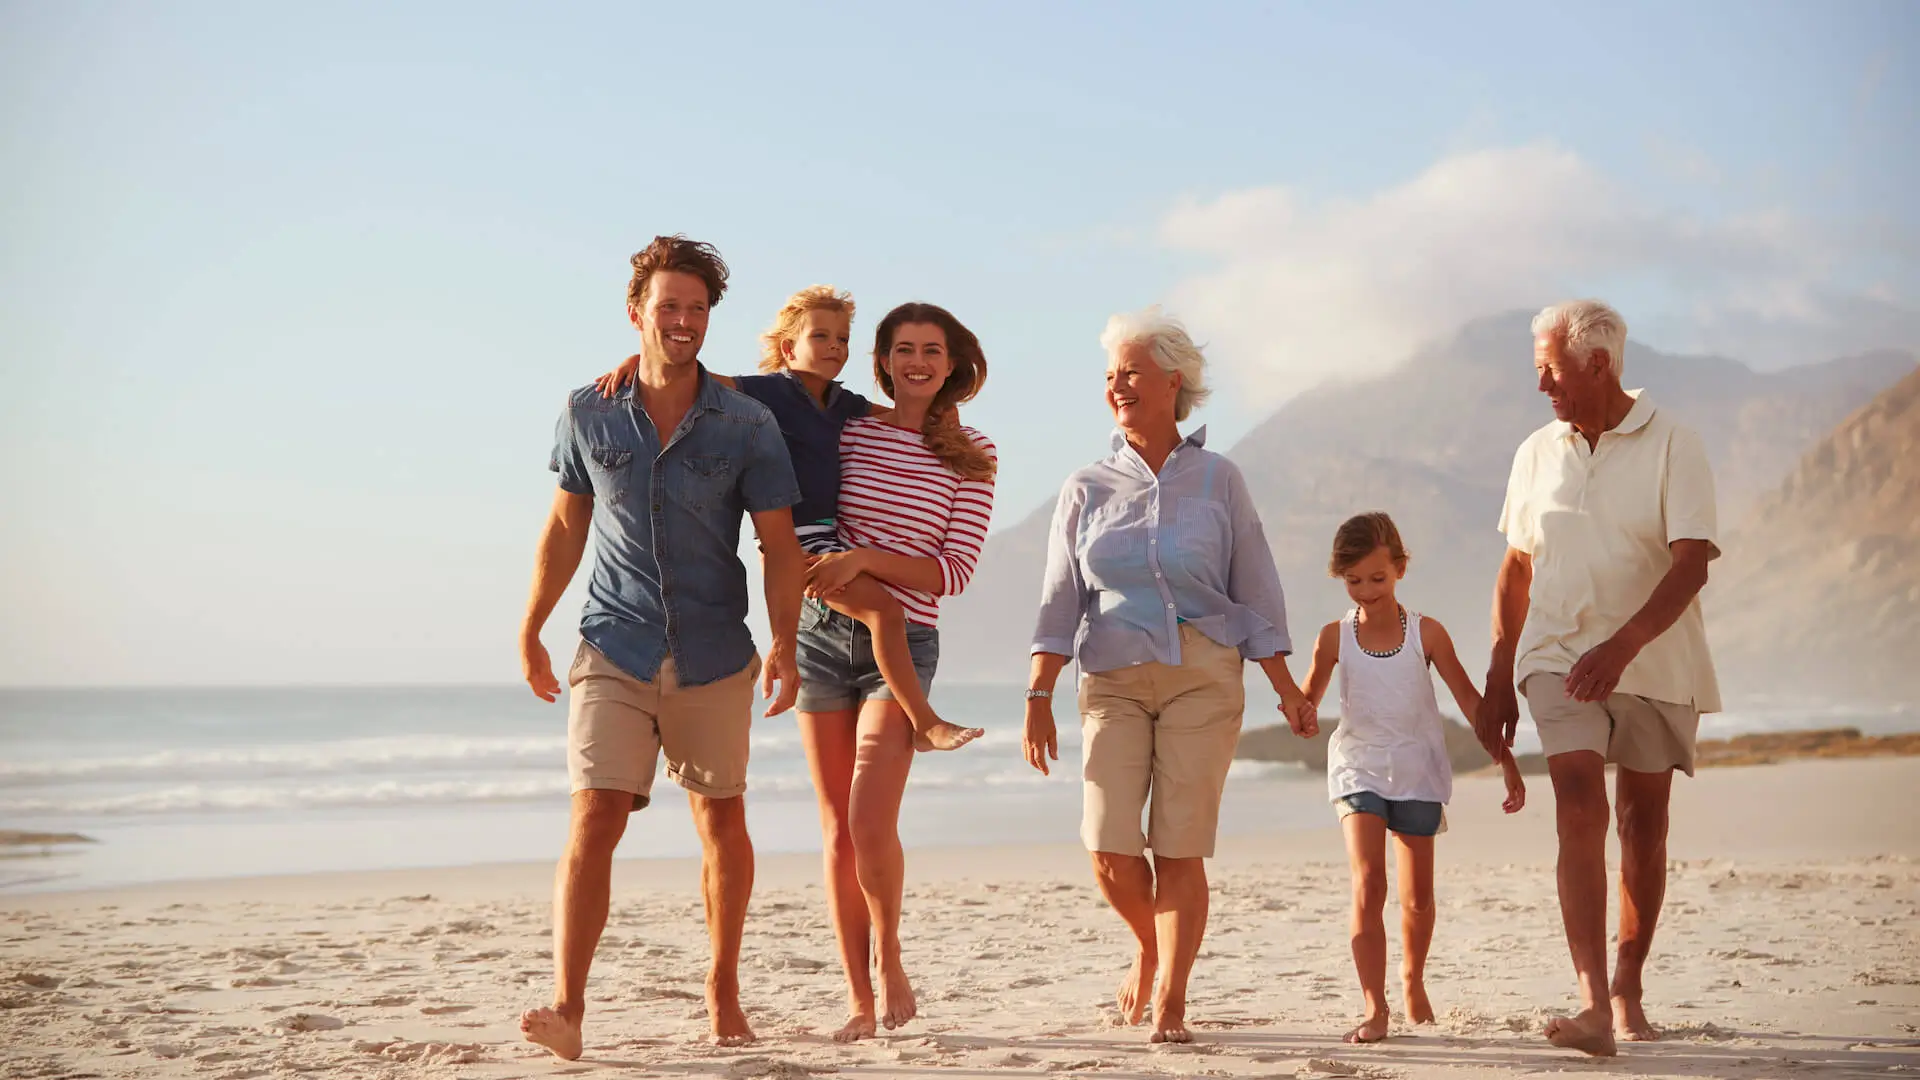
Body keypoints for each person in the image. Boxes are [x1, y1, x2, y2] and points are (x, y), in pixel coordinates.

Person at [516, 236, 807, 1058]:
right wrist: (532, 624)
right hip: (613, 640)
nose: (682, 321)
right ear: (636, 310)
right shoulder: (589, 410)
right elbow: (567, 524)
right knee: (594, 815)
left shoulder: (747, 421)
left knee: (721, 819)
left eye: (697, 308)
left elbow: (779, 545)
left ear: (711, 318)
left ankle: (722, 990)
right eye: (668, 305)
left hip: (715, 648)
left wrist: (783, 643)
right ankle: (568, 1008)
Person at [1022, 307, 1315, 1044]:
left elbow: (1257, 588)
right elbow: (1061, 596)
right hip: (1113, 677)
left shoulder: (1220, 480)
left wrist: (1287, 687)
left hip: (1203, 676)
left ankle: (1173, 999)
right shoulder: (1085, 486)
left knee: (1179, 844)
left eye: (1131, 372)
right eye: (1111, 375)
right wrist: (1037, 692)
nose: (1118, 385)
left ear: (1172, 382)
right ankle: (1151, 952)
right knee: (1109, 844)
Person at [1473, 299, 1721, 1057]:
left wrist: (1622, 647)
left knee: (1643, 829)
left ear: (1599, 365)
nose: (1542, 387)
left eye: (1550, 372)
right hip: (1555, 655)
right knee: (1578, 805)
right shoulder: (1535, 452)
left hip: (1654, 660)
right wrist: (1497, 668)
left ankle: (1627, 986)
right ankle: (1590, 1006)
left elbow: (1691, 565)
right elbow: (1517, 568)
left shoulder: (1674, 441)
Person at [596, 288, 983, 752]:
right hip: (793, 540)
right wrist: (637, 363)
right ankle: (925, 721)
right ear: (787, 348)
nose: (835, 347)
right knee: (884, 611)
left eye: (842, 339)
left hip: (829, 538)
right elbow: (697, 380)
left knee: (884, 614)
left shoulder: (844, 404)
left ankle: (920, 719)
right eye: (820, 336)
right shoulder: (772, 391)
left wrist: (945, 413)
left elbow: (899, 414)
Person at [795, 301, 997, 1041]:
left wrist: (868, 559)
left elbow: (953, 571)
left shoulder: (973, 454)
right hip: (822, 635)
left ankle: (891, 959)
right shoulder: (848, 432)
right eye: (903, 349)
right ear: (880, 361)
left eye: (931, 351)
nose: (917, 361)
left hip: (904, 647)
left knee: (868, 819)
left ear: (951, 364)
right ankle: (856, 996)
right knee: (836, 832)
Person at [1298, 512, 1527, 1045]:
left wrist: (1506, 761)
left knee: (1418, 898)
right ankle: (1375, 1008)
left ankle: (1412, 979)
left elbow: (1471, 702)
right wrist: (1301, 713)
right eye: (1354, 581)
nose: (1366, 591)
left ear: (1399, 568)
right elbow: (1306, 703)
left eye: (1377, 578)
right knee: (1368, 883)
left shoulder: (1428, 633)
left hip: (1418, 770)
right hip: (1358, 767)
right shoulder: (1333, 638)